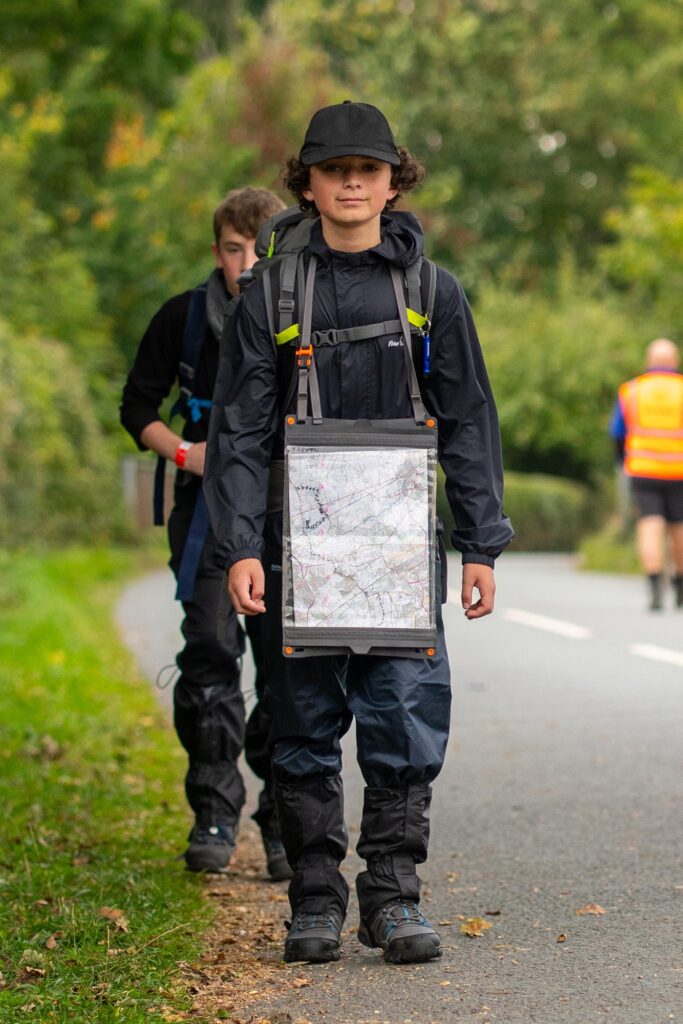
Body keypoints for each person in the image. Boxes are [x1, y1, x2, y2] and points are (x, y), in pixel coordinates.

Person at [204, 102, 513, 964]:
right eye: (333, 169)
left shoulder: (431, 293)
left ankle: (392, 897)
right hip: (294, 547)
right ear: (305, 184)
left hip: (400, 550)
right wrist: (239, 547)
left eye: (367, 169)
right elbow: (237, 433)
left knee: (403, 720)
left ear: (391, 182)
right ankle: (313, 900)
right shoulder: (271, 294)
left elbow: (468, 420)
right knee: (301, 721)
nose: (350, 182)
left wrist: (480, 545)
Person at [120, 186, 293, 879]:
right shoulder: (183, 318)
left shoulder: (301, 314)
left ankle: (284, 821)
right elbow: (137, 406)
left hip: (284, 511)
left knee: (287, 668)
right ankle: (215, 812)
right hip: (206, 513)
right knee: (209, 655)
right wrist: (185, 452)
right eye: (231, 249)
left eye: (257, 250)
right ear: (215, 250)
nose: (245, 264)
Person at [610, 337, 683, 611]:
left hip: (644, 470)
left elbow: (617, 432)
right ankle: (679, 584)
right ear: (675, 361)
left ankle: (654, 586)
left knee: (649, 526)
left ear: (650, 361)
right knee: (679, 527)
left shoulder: (631, 390)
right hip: (679, 471)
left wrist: (623, 460)